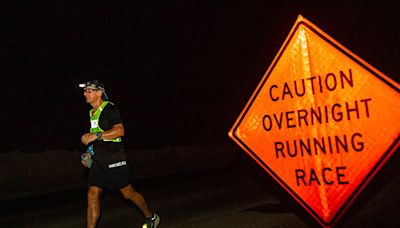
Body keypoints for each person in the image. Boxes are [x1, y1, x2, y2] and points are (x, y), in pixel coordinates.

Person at [79, 80, 160, 228]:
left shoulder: (109, 109)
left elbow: (120, 130)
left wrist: (96, 135)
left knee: (127, 193)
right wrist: (89, 152)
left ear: (99, 92)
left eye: (89, 90)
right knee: (92, 194)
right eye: (85, 91)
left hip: (114, 157)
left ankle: (151, 217)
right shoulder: (92, 113)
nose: (85, 93)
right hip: (99, 159)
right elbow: (98, 137)